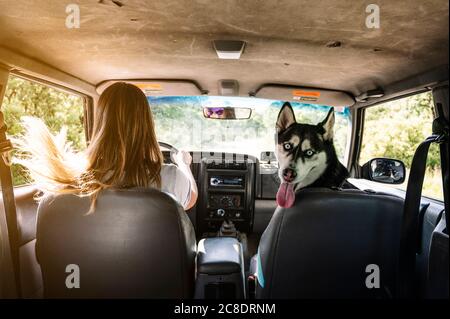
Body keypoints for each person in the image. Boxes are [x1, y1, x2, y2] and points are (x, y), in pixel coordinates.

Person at [13, 82, 198, 212]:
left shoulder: (73, 182)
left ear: (100, 122)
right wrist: (184, 165)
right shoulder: (170, 177)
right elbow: (191, 200)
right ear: (146, 125)